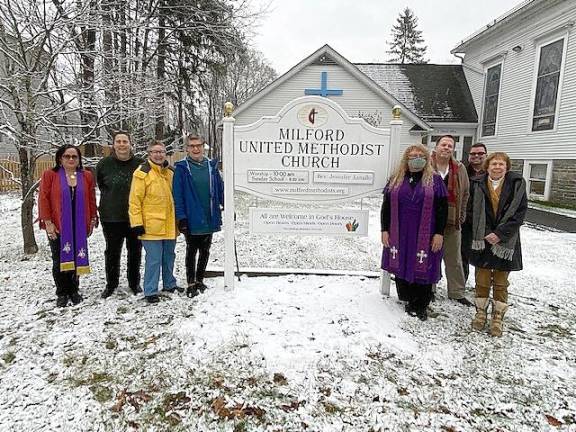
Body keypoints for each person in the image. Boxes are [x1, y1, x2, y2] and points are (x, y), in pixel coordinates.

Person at [381, 144, 448, 321]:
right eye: (413, 156)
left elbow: (442, 209)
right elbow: (386, 207)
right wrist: (384, 230)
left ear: (427, 159)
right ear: (406, 159)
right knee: (402, 260)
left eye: (420, 155)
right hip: (400, 231)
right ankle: (407, 297)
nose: (416, 158)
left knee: (423, 265)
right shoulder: (396, 179)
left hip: (426, 232)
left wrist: (439, 233)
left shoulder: (434, 180)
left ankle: (421, 304)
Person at [468, 152, 527, 337]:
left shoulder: (517, 185)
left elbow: (520, 213)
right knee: (482, 279)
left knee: (501, 283)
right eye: (494, 164)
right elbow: (471, 211)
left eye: (501, 164)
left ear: (507, 167)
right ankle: (480, 313)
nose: (497, 167)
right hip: (482, 239)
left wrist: (499, 234)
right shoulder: (477, 183)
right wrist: (486, 233)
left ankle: (497, 317)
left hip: (506, 241)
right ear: (487, 166)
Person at [38, 144, 98, 307]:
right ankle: (62, 292)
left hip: (79, 224)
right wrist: (48, 223)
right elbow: (43, 199)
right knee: (59, 259)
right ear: (60, 158)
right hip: (58, 225)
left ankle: (74, 290)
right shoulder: (51, 175)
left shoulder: (86, 176)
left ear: (79, 159)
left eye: (74, 157)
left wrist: (93, 218)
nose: (71, 159)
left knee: (77, 256)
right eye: (67, 156)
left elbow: (91, 198)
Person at [172, 135, 224, 298]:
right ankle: (191, 282)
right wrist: (182, 217)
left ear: (203, 146)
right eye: (192, 146)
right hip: (191, 216)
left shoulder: (211, 167)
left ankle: (200, 279)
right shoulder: (182, 168)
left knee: (205, 249)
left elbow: (220, 189)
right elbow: (178, 195)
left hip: (209, 215)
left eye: (198, 145)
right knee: (191, 250)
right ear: (187, 148)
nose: (196, 149)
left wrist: (228, 207)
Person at [128, 141, 179, 304]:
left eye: (162, 151)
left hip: (170, 224)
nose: (159, 155)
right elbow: (135, 200)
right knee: (154, 259)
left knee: (169, 256)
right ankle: (150, 290)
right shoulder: (142, 173)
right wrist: (136, 223)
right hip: (151, 226)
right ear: (149, 153)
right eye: (155, 152)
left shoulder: (170, 172)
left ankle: (169, 284)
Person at [96, 131, 144, 298]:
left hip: (135, 217)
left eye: (125, 141)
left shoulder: (140, 164)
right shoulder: (103, 165)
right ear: (113, 144)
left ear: (130, 144)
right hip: (111, 216)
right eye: (119, 141)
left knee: (135, 251)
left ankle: (134, 282)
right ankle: (111, 284)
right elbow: (102, 185)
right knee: (112, 252)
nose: (122, 144)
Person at [431, 135, 473, 306]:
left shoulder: (459, 168)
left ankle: (456, 292)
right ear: (436, 146)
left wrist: (461, 216)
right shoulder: (427, 164)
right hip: (429, 219)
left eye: (450, 145)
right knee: (429, 256)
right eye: (443, 144)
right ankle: (428, 287)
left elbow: (465, 194)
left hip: (451, 220)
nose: (447, 148)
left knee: (454, 258)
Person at [461, 142, 488, 284]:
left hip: (484, 223)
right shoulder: (462, 172)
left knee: (482, 256)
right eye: (473, 154)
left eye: (480, 153)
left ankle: (481, 286)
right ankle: (461, 285)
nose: (476, 156)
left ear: (486, 155)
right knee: (462, 255)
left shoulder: (491, 174)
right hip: (464, 221)